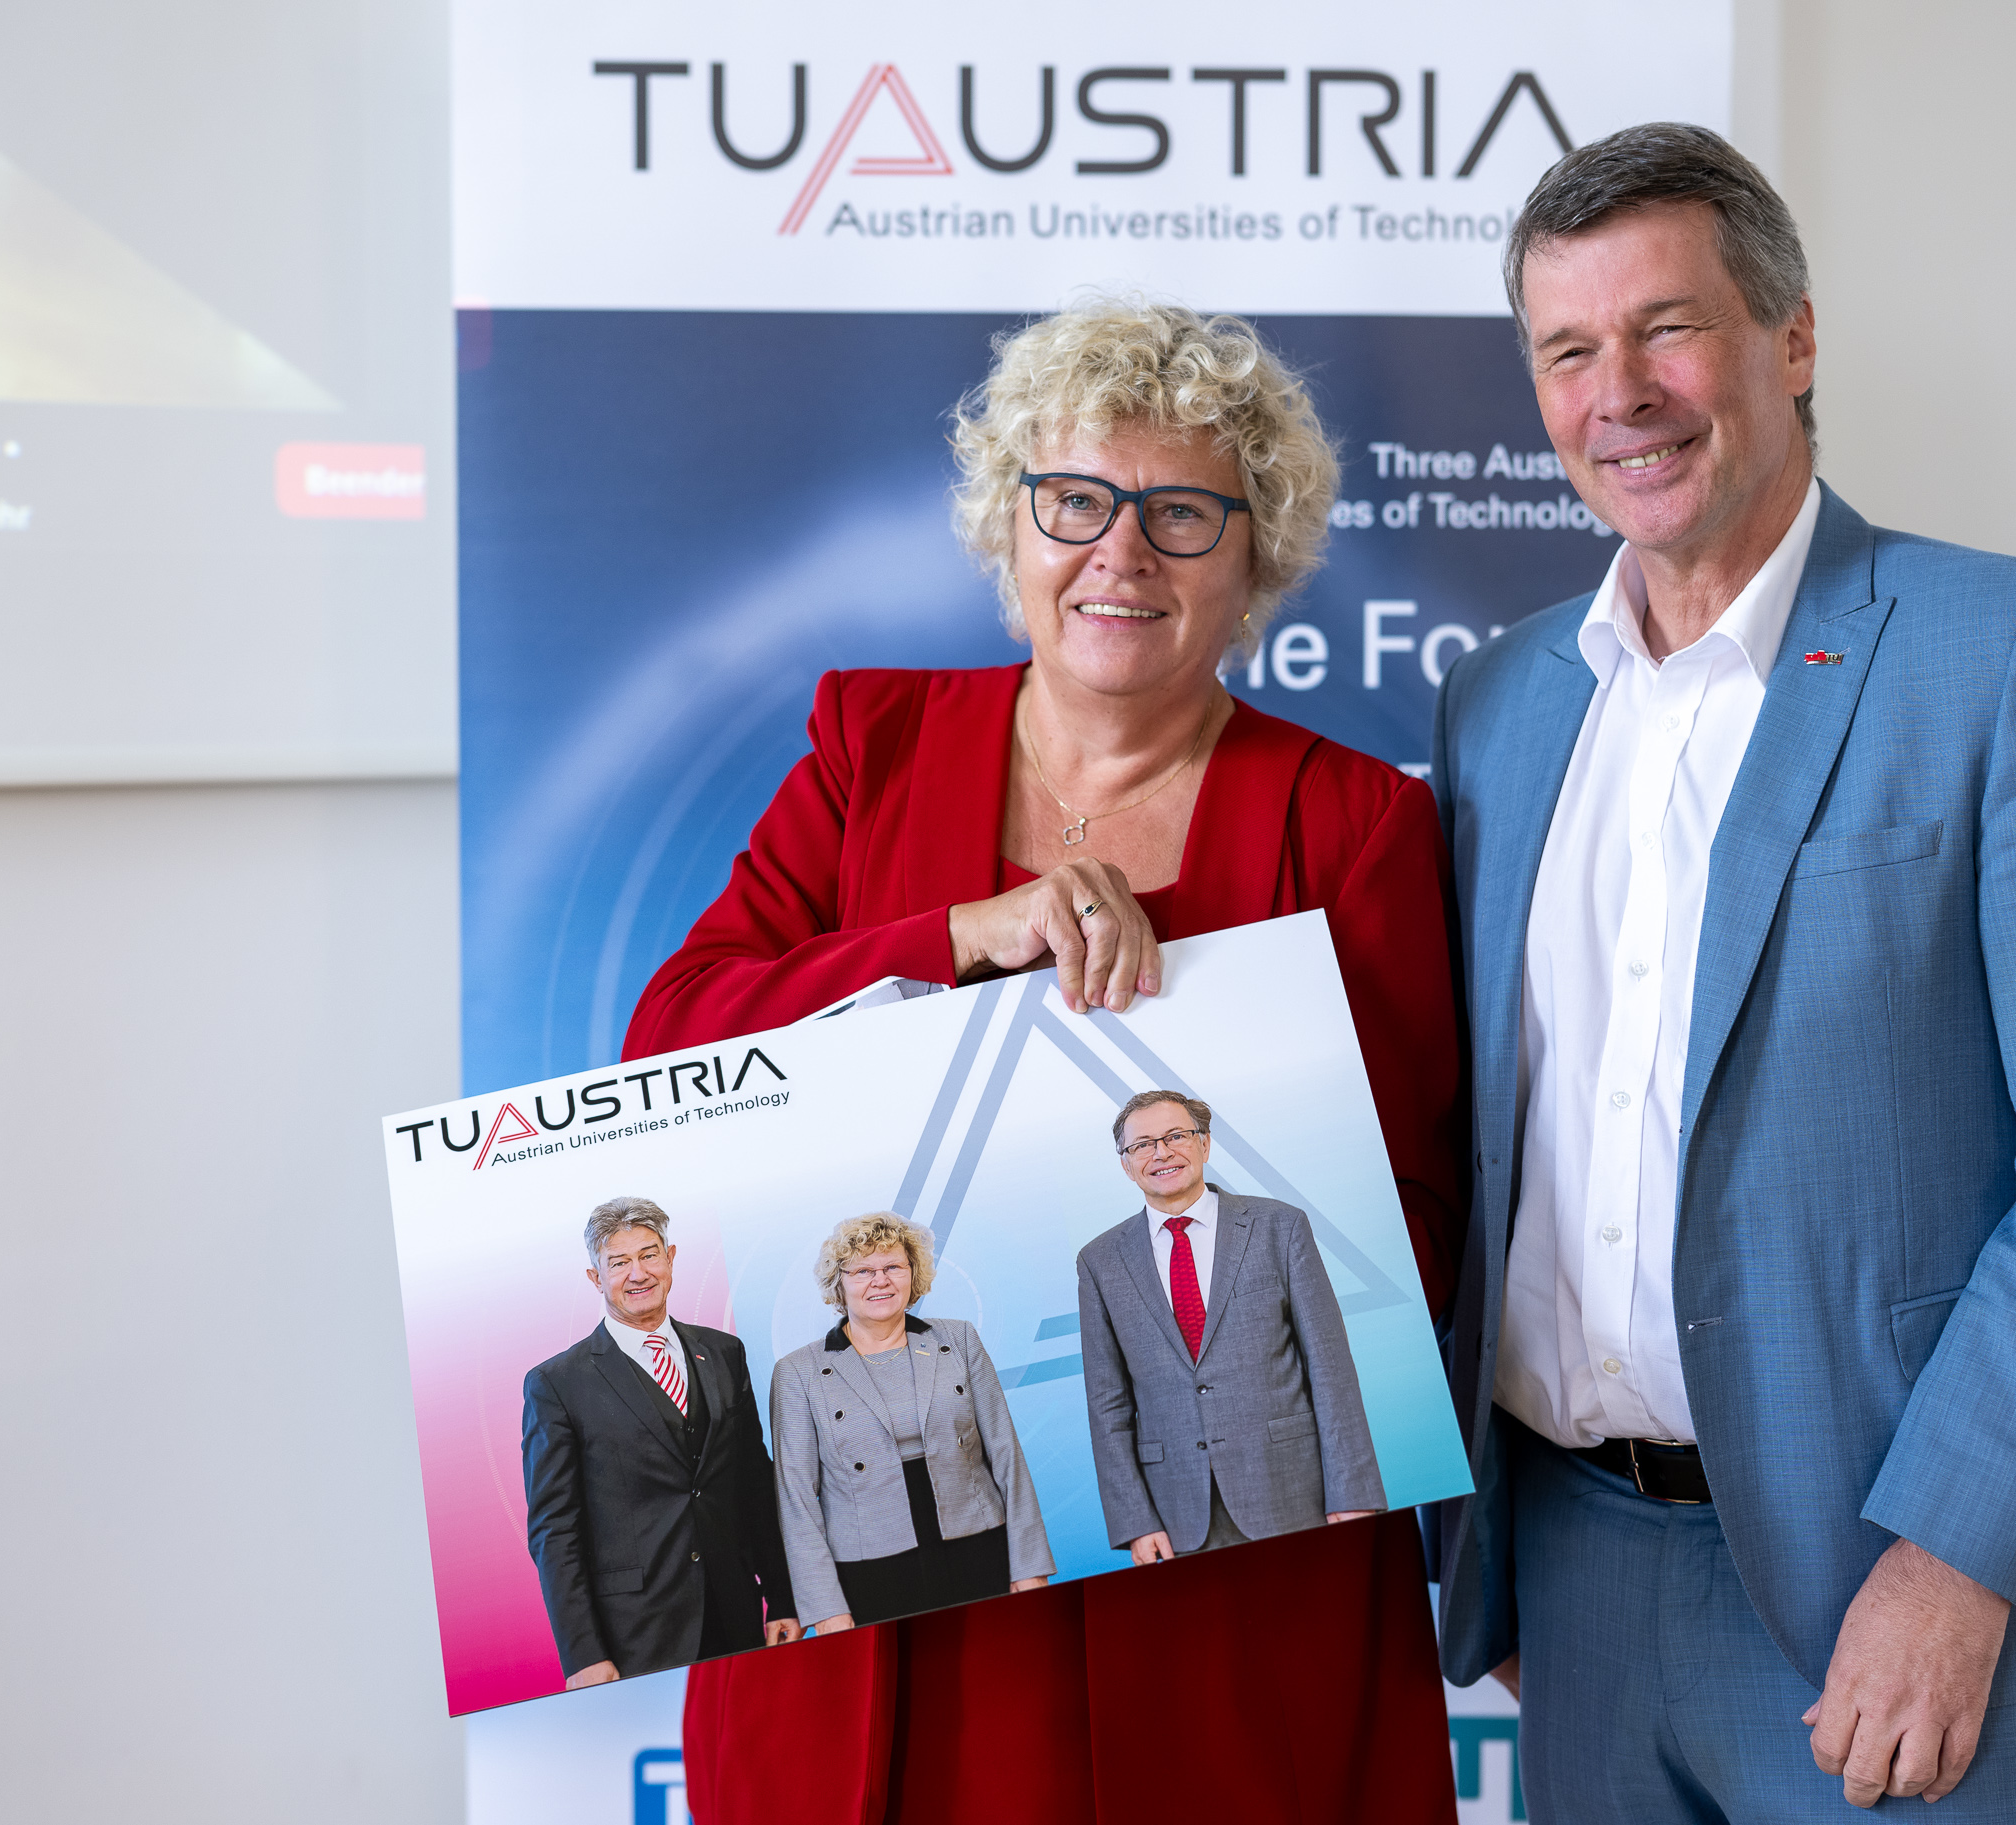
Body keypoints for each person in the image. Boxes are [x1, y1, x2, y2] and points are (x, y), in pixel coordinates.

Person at [1427, 124, 2016, 1820]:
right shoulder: (1497, 705)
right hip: (1572, 1575)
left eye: (1667, 327)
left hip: (1895, 1586)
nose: (1617, 394)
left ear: (1790, 339)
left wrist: (1951, 1558)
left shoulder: (2010, 648)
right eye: (1567, 350)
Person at [624, 297, 1463, 1825]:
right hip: (887, 1601)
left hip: (1213, 1589)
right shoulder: (870, 748)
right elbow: (675, 1039)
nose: (1119, 553)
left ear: (1254, 559)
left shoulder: (1352, 824)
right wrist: (959, 935)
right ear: (1008, 528)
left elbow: (1415, 1230)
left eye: (1182, 514)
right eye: (1074, 500)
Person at [1077, 1090, 1383, 1560]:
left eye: (1176, 1136)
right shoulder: (1100, 1261)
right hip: (1175, 1514)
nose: (1161, 1153)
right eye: (1142, 1145)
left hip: (1292, 1491)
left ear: (1204, 1143)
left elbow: (1330, 1368)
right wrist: (1135, 1522)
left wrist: (1352, 1493)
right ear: (1125, 1163)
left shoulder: (1280, 1226)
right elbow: (1107, 1405)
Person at [520, 1197, 798, 1686]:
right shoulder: (557, 1383)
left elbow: (754, 1483)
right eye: (619, 1262)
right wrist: (583, 1653)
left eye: (649, 1255)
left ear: (670, 1258)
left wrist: (781, 1597)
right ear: (596, 1277)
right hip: (635, 1632)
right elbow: (554, 1529)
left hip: (737, 1612)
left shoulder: (724, 1352)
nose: (638, 1273)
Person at [772, 1212, 1055, 1630]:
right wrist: (826, 1608)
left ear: (913, 1274)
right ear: (839, 1282)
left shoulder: (959, 1339)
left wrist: (1029, 1566)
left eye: (893, 1267)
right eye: (863, 1271)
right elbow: (795, 1499)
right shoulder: (798, 1372)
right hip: (870, 1569)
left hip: (978, 1546)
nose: (880, 1281)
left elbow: (1007, 1455)